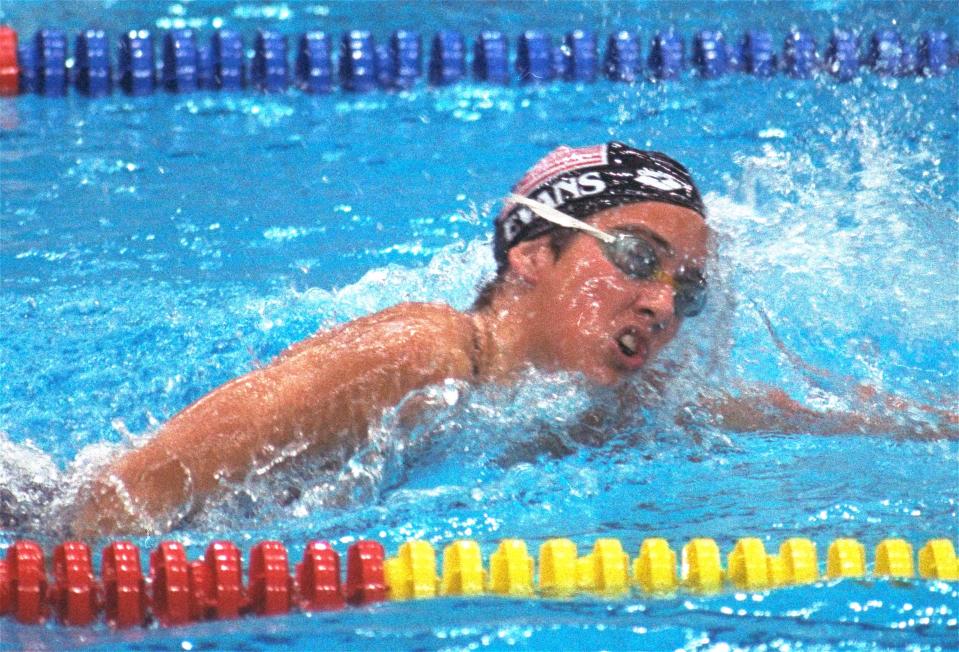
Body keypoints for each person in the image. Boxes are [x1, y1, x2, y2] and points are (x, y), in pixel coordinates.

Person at [69, 142, 955, 538]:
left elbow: (787, 416)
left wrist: (929, 424)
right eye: (637, 258)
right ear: (531, 253)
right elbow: (124, 498)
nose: (659, 304)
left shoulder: (602, 409)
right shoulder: (421, 351)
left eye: (686, 291)